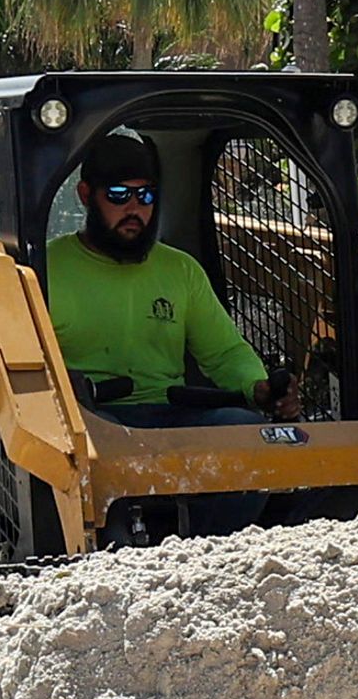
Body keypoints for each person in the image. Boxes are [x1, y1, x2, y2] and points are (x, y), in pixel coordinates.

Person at [44, 131, 285, 530]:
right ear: (85, 196)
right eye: (119, 196)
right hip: (89, 419)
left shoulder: (180, 270)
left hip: (170, 413)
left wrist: (258, 387)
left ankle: (208, 549)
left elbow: (224, 353)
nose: (135, 209)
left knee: (247, 434)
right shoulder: (46, 270)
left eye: (146, 197)